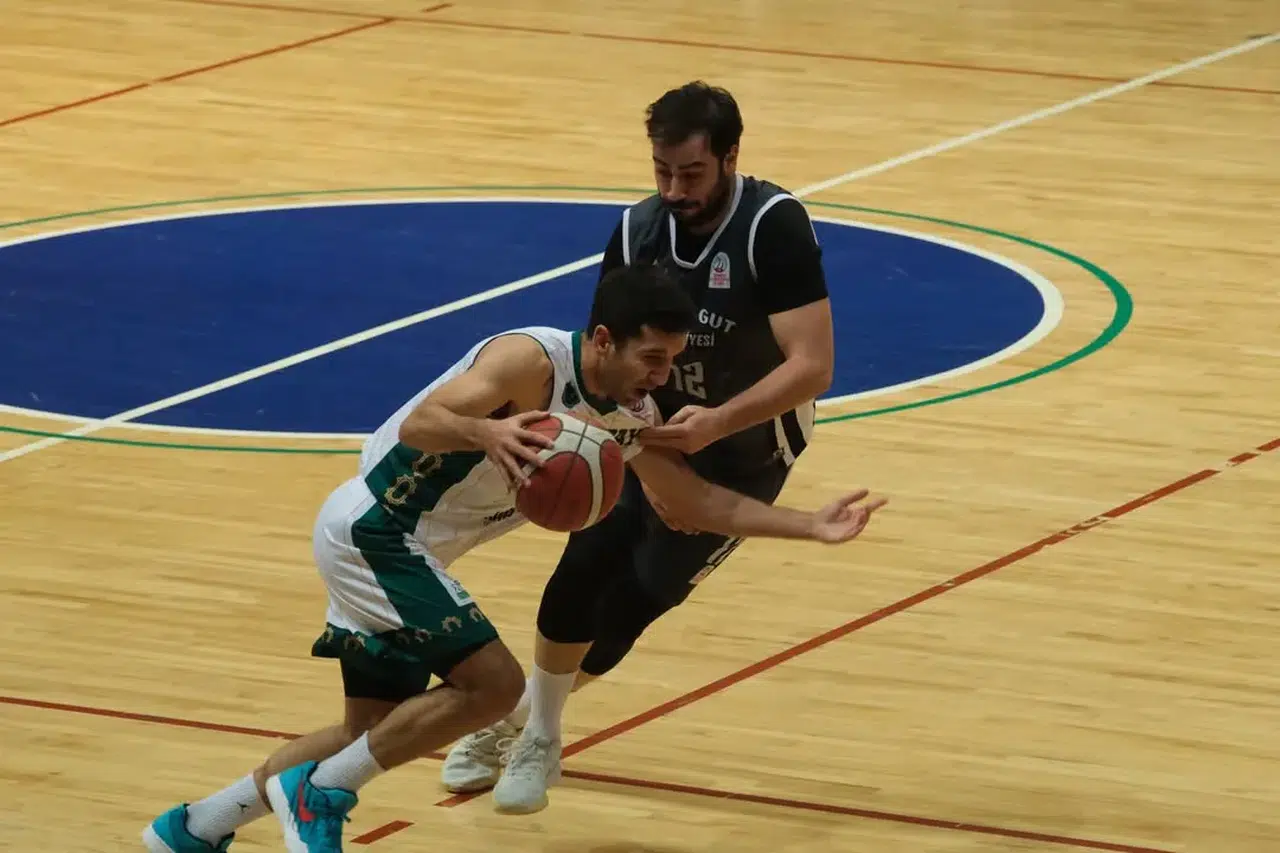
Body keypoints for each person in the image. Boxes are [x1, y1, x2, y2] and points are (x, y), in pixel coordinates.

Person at [141, 263, 883, 853]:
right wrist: (488, 432)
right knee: (495, 686)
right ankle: (320, 794)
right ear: (603, 340)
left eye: (671, 361)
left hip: (415, 552)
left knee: (370, 730)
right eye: (651, 357)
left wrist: (808, 525)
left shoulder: (628, 417)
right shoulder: (529, 361)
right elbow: (423, 420)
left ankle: (195, 827)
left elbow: (696, 503)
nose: (661, 375)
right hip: (376, 530)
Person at [441, 81, 839, 814]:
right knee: (584, 562)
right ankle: (539, 736)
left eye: (691, 173)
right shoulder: (638, 229)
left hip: (745, 449)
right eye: (662, 171)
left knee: (636, 599)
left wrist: (716, 424)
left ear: (730, 157)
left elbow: (813, 366)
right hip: (642, 431)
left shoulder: (771, 225)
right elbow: (604, 356)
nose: (674, 190)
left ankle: (521, 716)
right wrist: (646, 458)